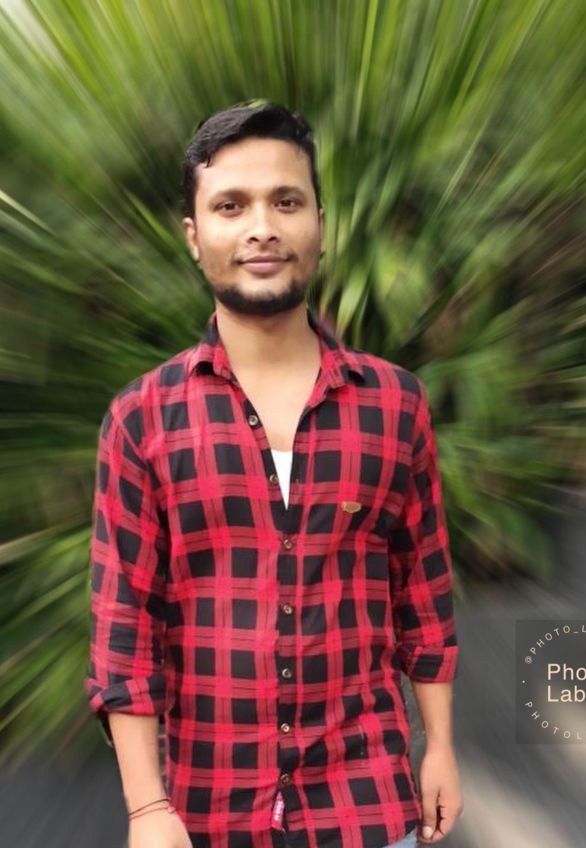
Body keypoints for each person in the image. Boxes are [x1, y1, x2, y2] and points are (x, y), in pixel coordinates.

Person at [85, 100, 462, 848]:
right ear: (194, 235)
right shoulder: (142, 420)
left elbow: (422, 595)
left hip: (366, 805)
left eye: (285, 202)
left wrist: (441, 747)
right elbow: (124, 627)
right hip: (206, 811)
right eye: (231, 206)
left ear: (320, 223)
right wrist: (146, 807)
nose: (261, 227)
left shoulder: (395, 405)